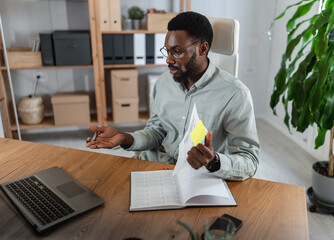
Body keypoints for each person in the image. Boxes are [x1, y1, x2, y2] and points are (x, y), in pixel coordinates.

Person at [86, 11, 260, 181]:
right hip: (154, 165)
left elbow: (249, 160)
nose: (168, 60)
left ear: (203, 48)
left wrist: (214, 161)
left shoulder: (236, 94)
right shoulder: (164, 82)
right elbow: (156, 132)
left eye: (177, 51)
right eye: (167, 50)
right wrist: (126, 138)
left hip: (196, 176)